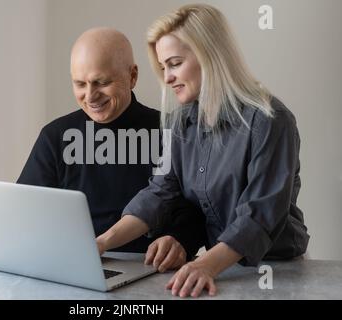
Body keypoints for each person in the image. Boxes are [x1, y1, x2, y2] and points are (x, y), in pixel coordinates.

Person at [96, 4, 310, 298]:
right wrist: (102, 242)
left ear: (211, 55)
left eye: (174, 63)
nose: (167, 77)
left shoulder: (269, 120)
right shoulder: (180, 121)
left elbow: (258, 215)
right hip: (221, 268)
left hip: (277, 269)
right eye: (163, 67)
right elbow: (159, 192)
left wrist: (206, 266)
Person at [0, 27, 205, 272]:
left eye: (102, 82)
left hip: (151, 270)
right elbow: (23, 208)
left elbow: (198, 208)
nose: (90, 96)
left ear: (132, 76)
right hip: (71, 269)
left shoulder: (171, 131)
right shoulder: (55, 136)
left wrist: (181, 239)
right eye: (80, 84)